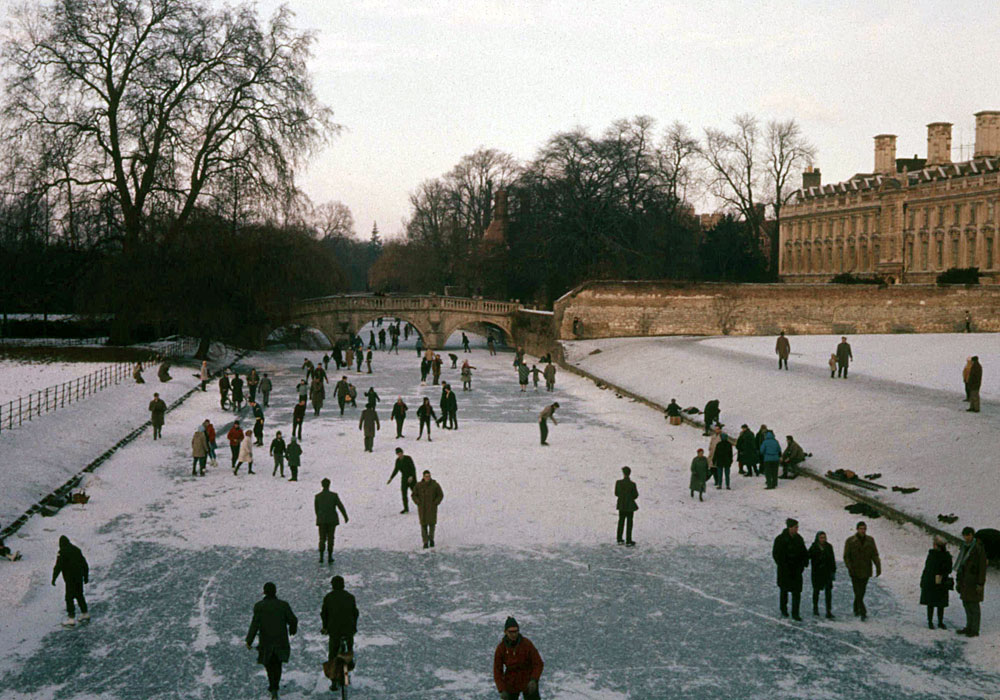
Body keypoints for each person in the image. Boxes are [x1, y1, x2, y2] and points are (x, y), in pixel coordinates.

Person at [245, 581, 298, 700]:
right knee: (277, 663)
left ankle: (273, 686)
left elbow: (255, 624)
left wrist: (249, 640)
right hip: (280, 640)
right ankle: (275, 686)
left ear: (264, 592)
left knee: (269, 664)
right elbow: (293, 620)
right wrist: (292, 629)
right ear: (275, 592)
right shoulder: (283, 605)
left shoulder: (259, 606)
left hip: (266, 641)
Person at [321, 576, 359, 692]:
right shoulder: (350, 597)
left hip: (334, 630)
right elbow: (355, 613)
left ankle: (333, 681)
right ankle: (346, 675)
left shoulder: (328, 598)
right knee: (348, 652)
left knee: (333, 654)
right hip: (348, 630)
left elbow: (324, 614)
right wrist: (354, 627)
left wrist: (325, 627)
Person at [493, 617, 544, 700]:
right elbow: (497, 671)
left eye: (516, 631)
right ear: (505, 632)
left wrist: (534, 679)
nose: (514, 634)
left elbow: (538, 663)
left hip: (528, 680)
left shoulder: (527, 644)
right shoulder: (501, 648)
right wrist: (502, 690)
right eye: (511, 632)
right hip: (511, 682)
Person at [844, 521, 881, 620]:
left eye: (864, 529)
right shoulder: (850, 541)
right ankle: (862, 611)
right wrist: (849, 567)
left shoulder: (870, 540)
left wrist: (878, 566)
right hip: (854, 570)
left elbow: (874, 554)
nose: (862, 531)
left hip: (866, 570)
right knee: (857, 590)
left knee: (862, 591)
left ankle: (856, 607)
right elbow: (846, 556)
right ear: (857, 529)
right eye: (861, 528)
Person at [773, 519, 808, 620]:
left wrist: (803, 564)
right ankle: (784, 610)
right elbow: (776, 554)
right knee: (784, 591)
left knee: (797, 592)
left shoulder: (799, 539)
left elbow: (804, 552)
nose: (797, 529)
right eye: (795, 527)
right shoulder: (780, 539)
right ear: (790, 527)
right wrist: (783, 565)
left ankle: (795, 613)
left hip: (796, 571)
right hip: (785, 571)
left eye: (797, 527)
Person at [955, 526, 988, 637]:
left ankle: (974, 629)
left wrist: (980, 583)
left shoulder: (978, 548)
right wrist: (958, 579)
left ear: (972, 535)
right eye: (965, 535)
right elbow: (961, 565)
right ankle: (969, 626)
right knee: (966, 604)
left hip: (973, 581)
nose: (966, 538)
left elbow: (982, 567)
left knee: (974, 605)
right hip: (965, 580)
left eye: (968, 535)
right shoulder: (964, 547)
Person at [51, 535, 89, 627]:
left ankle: (71, 619)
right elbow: (84, 563)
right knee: (79, 595)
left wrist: (54, 578)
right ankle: (85, 613)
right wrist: (86, 576)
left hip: (70, 578)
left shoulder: (62, 552)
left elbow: (58, 566)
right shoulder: (76, 549)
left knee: (69, 597)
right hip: (79, 577)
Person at [919, 535, 953, 629]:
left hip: (936, 581)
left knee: (936, 603)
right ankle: (936, 622)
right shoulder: (941, 555)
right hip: (935, 582)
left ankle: (935, 622)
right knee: (936, 603)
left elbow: (947, 569)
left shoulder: (938, 555)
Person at [315, 478, 349, 564]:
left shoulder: (318, 496)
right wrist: (345, 516)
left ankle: (321, 557)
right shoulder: (334, 495)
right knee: (331, 538)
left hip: (322, 520)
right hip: (332, 520)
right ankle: (330, 556)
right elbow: (340, 506)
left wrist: (320, 517)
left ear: (322, 485)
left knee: (322, 538)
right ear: (329, 485)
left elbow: (316, 510)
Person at [412, 469, 444, 548]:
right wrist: (417, 502)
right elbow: (414, 495)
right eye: (426, 476)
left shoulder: (435, 485)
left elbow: (440, 495)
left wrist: (436, 502)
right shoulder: (418, 485)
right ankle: (425, 542)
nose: (427, 478)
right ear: (423, 477)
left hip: (432, 508)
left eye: (429, 476)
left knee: (432, 525)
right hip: (422, 509)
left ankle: (431, 539)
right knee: (423, 525)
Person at [809, 531, 836, 619]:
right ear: (817, 538)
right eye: (821, 537)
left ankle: (828, 611)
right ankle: (815, 608)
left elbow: (832, 560)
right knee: (816, 591)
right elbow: (807, 556)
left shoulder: (829, 547)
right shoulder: (813, 547)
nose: (823, 539)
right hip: (817, 573)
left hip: (827, 573)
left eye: (824, 537)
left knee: (828, 592)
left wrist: (833, 571)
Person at [388, 447, 417, 514]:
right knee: (404, 494)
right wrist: (391, 478)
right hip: (404, 478)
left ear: (402, 453)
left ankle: (422, 505)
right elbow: (396, 470)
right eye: (398, 453)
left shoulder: (408, 458)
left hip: (411, 478)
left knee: (415, 493)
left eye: (400, 453)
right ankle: (406, 508)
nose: (400, 454)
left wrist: (411, 476)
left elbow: (413, 468)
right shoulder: (397, 461)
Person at [615, 466, 638, 546]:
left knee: (621, 521)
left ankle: (619, 539)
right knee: (629, 523)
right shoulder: (632, 484)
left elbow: (616, 493)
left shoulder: (618, 483)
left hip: (622, 505)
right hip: (630, 506)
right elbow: (635, 495)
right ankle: (629, 540)